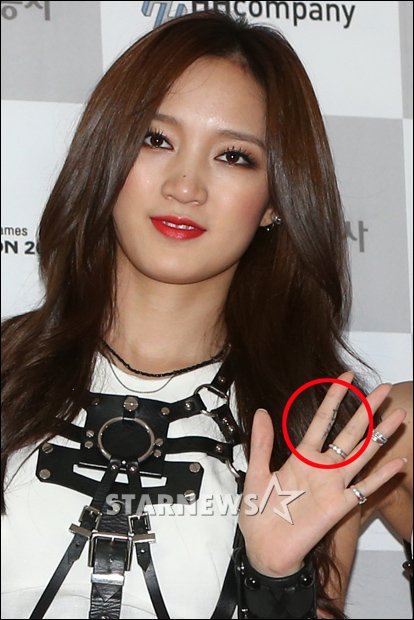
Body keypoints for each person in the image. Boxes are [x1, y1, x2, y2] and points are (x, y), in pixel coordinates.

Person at [1, 10, 411, 620]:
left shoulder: (319, 429)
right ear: (107, 154)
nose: (186, 185)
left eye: (234, 157)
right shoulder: (8, 375)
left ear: (276, 201)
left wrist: (276, 579)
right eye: (156, 139)